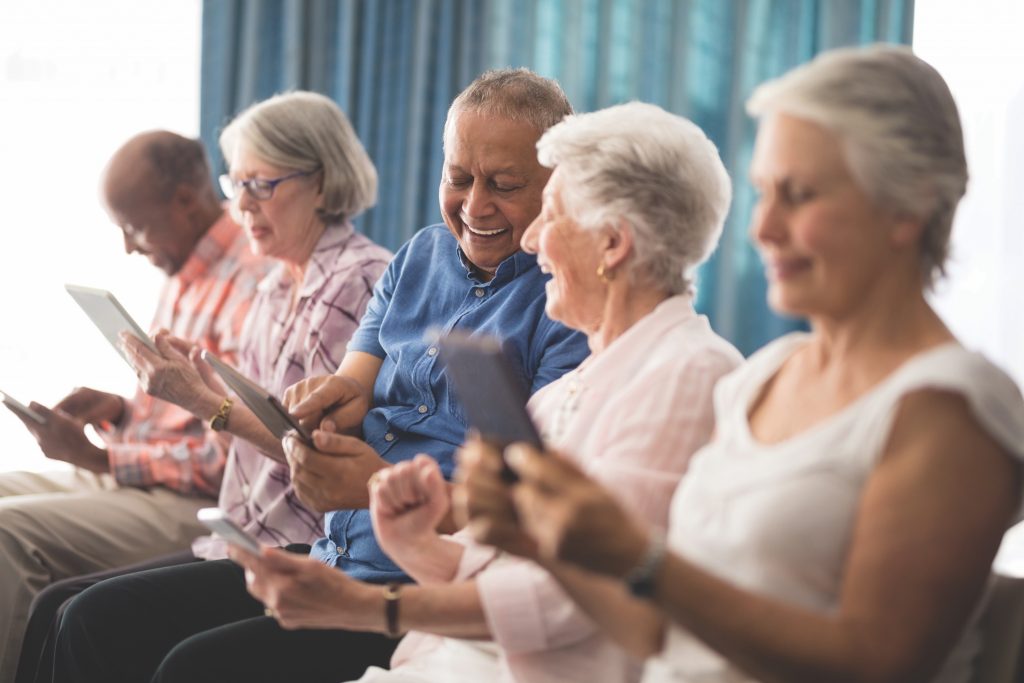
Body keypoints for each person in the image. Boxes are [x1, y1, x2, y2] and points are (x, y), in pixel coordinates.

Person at [462, 45, 1024, 683]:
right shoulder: (765, 375)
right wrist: (541, 537)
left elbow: (875, 663)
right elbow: (654, 631)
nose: (763, 227)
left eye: (800, 195)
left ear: (906, 209)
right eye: (763, 193)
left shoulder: (950, 408)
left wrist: (643, 560)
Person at [54, 69, 590, 683]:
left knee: (188, 667)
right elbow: (354, 385)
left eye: (504, 185)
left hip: (414, 587)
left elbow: (524, 515)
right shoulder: (418, 256)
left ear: (558, 183)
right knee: (90, 618)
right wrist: (322, 407)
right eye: (458, 179)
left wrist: (374, 484)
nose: (474, 206)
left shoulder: (566, 305)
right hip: (334, 552)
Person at [232, 100, 744, 683]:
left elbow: (581, 598)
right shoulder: (570, 389)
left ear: (612, 245)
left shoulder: (688, 373)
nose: (532, 243)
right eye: (459, 179)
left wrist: (370, 607)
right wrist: (412, 533)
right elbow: (507, 558)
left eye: (552, 218)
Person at [0, 130, 267, 682]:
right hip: (142, 473)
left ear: (186, 201)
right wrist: (122, 412)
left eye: (134, 226)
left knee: (8, 533)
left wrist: (100, 460)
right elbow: (183, 410)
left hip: (188, 499)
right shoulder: (186, 268)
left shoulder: (251, 283)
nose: (128, 245)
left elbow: (234, 455)